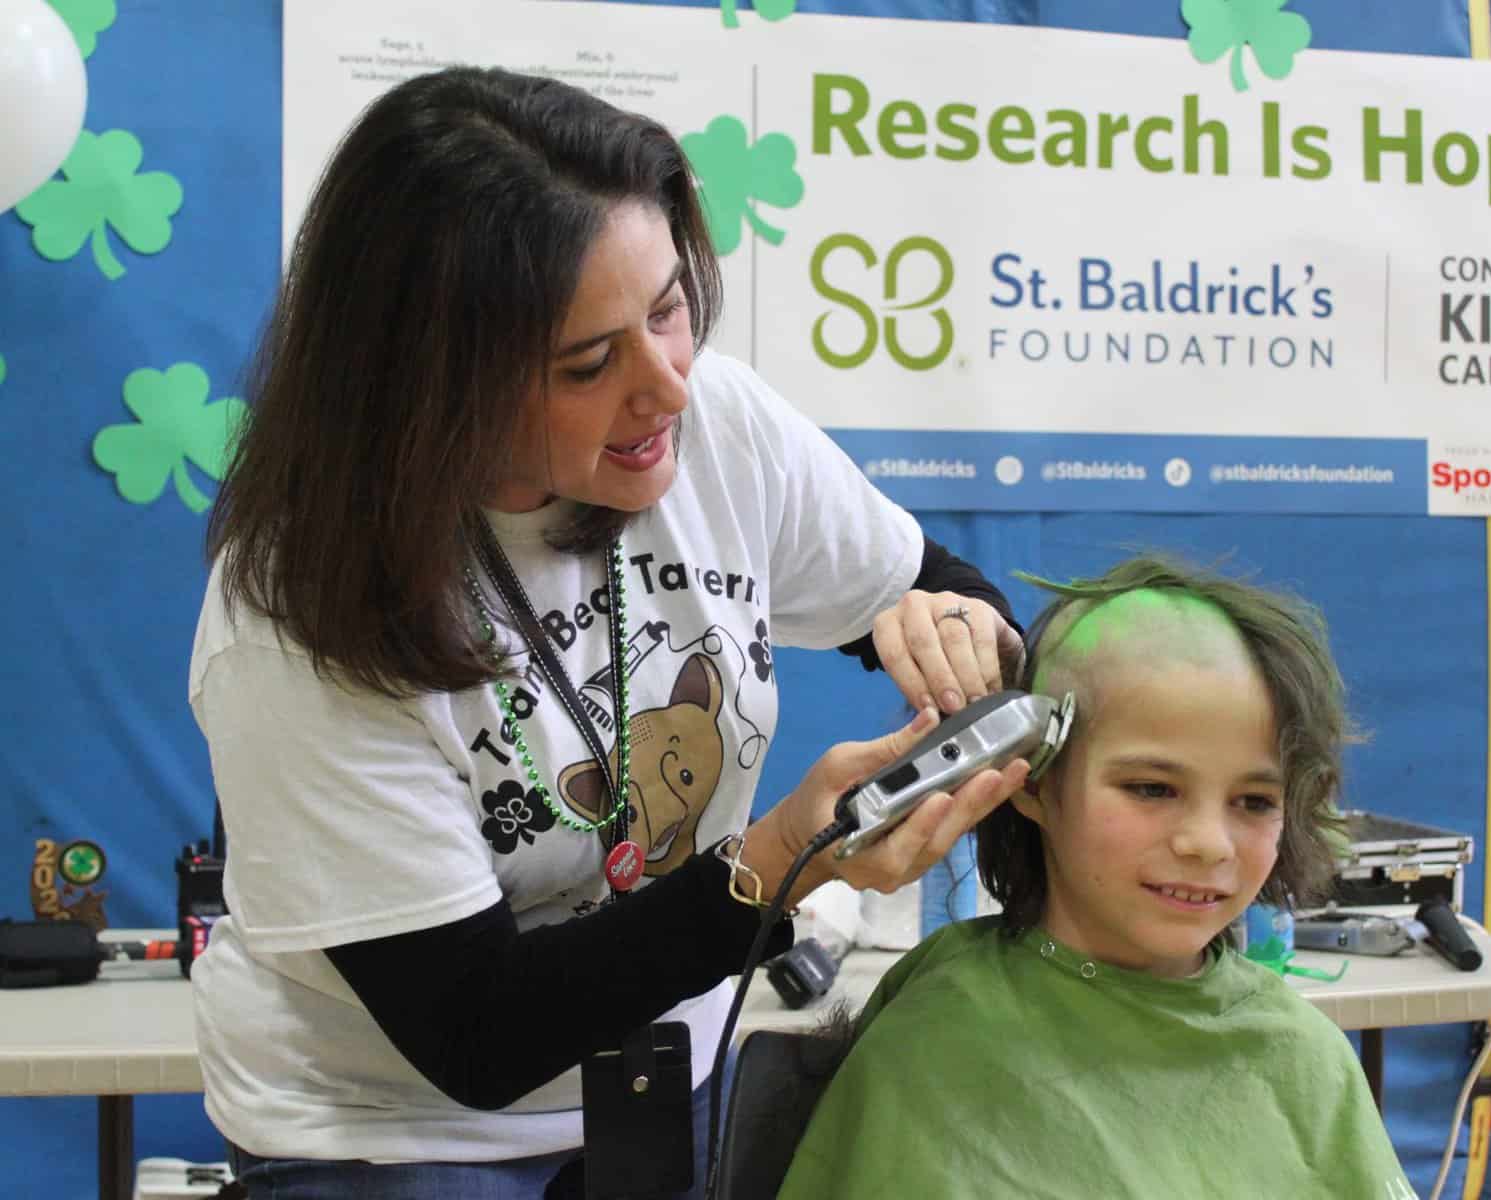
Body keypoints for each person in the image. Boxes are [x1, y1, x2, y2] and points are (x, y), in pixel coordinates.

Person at [188, 65, 1032, 1199]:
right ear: (430, 387)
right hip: (393, 1138)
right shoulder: (294, 614)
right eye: (590, 363)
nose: (668, 387)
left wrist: (956, 632)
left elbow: (934, 587)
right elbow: (477, 1034)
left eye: (671, 308)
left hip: (667, 1087)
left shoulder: (720, 423)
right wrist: (777, 861)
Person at [778, 556, 1418, 1200]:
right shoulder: (937, 1040)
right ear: (1033, 782)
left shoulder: (1308, 1058)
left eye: (1254, 801)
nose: (1207, 843)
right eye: (1151, 788)